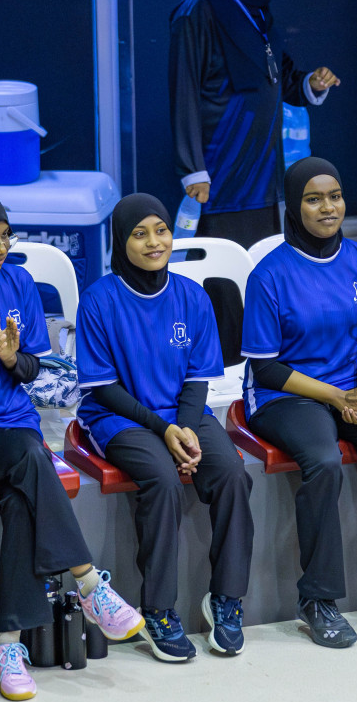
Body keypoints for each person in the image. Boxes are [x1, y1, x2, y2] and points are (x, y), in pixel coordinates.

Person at [0, 190, 144, 701]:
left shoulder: (17, 282)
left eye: (5, 236)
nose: (0, 247)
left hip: (15, 428)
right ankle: (87, 581)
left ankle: (8, 644)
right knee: (29, 461)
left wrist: (14, 360)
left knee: (22, 493)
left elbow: (38, 372)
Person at [242, 158, 357, 648]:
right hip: (287, 393)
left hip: (351, 387)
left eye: (336, 196)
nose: (329, 208)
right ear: (293, 206)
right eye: (314, 199)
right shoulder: (269, 275)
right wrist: (340, 399)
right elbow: (267, 367)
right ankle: (317, 598)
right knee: (322, 460)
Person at [75, 194, 255, 662]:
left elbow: (197, 378)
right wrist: (164, 429)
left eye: (161, 230)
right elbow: (104, 389)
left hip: (183, 414)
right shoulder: (99, 299)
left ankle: (226, 599)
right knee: (161, 479)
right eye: (140, 233)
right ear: (121, 241)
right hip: (118, 417)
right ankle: (157, 610)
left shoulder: (192, 296)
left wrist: (187, 428)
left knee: (234, 474)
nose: (155, 242)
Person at [171, 0, 340, 367]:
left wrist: (312, 84)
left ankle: (258, 355)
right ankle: (221, 362)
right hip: (221, 162)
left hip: (261, 163)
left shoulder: (256, 4)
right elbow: (183, 90)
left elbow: (278, 76)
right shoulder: (197, 7)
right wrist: (193, 168)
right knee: (222, 265)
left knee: (258, 260)